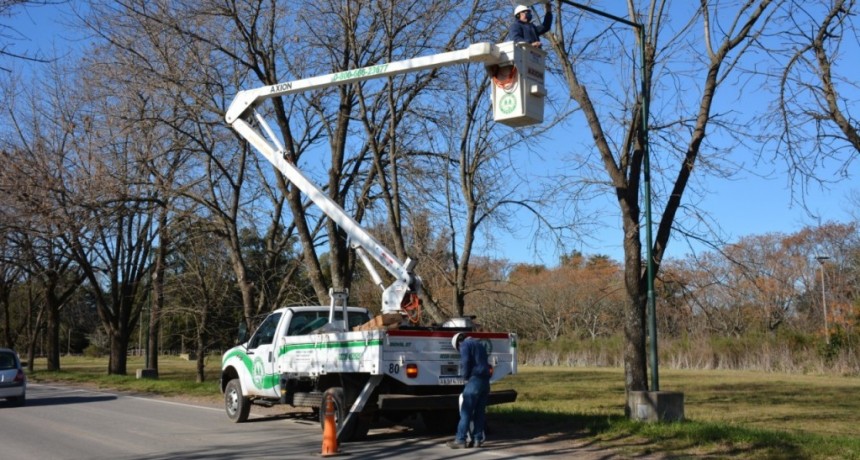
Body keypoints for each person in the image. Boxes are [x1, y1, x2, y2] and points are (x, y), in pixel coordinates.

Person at [446, 332, 492, 449]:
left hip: (474, 380)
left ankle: (460, 439)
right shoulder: (479, 344)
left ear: (458, 342)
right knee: (479, 412)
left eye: (458, 348)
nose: (459, 350)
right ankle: (477, 440)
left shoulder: (465, 344)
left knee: (466, 412)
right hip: (485, 381)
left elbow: (465, 361)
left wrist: (465, 377)